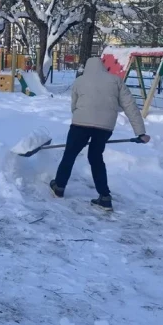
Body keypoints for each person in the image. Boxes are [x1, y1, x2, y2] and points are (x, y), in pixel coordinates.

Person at [50, 57, 150, 211]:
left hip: (80, 125)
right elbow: (130, 107)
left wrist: (80, 118)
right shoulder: (116, 81)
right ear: (103, 67)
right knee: (96, 158)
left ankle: (59, 187)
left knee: (70, 154)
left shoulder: (80, 81)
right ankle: (104, 197)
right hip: (105, 127)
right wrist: (140, 132)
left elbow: (74, 105)